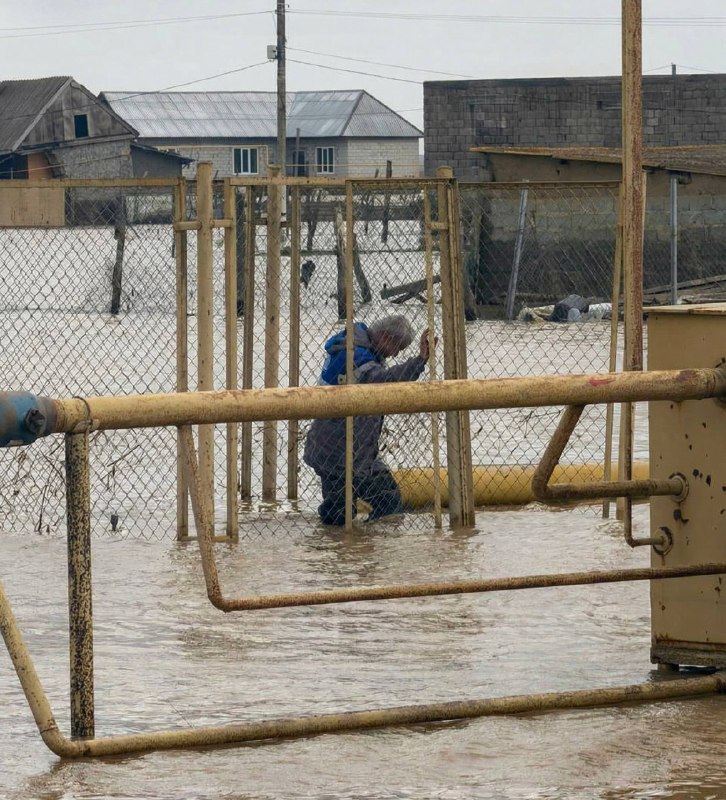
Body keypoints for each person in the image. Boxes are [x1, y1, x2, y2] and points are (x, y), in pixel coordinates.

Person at [304, 314, 434, 526]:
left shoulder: (361, 347)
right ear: (385, 338)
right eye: (397, 348)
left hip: (356, 454)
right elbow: (382, 382)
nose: (394, 355)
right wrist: (419, 362)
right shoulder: (355, 355)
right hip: (336, 454)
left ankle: (361, 549)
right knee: (339, 515)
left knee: (387, 501)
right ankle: (338, 550)